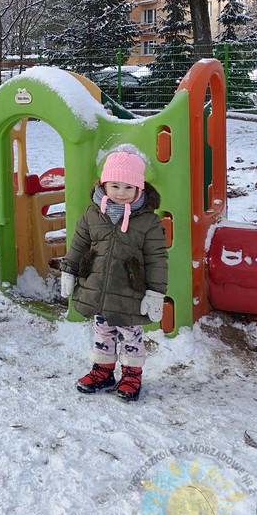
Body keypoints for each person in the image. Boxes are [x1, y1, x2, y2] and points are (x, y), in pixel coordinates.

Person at [59, 146, 168, 402]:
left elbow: (157, 258)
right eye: (115, 186)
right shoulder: (91, 215)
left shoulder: (149, 222)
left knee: (131, 334)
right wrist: (69, 271)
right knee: (102, 332)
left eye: (128, 188)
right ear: (103, 185)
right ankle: (103, 371)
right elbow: (78, 245)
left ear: (140, 189)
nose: (121, 193)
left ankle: (132, 375)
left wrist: (155, 292)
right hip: (96, 288)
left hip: (131, 290)